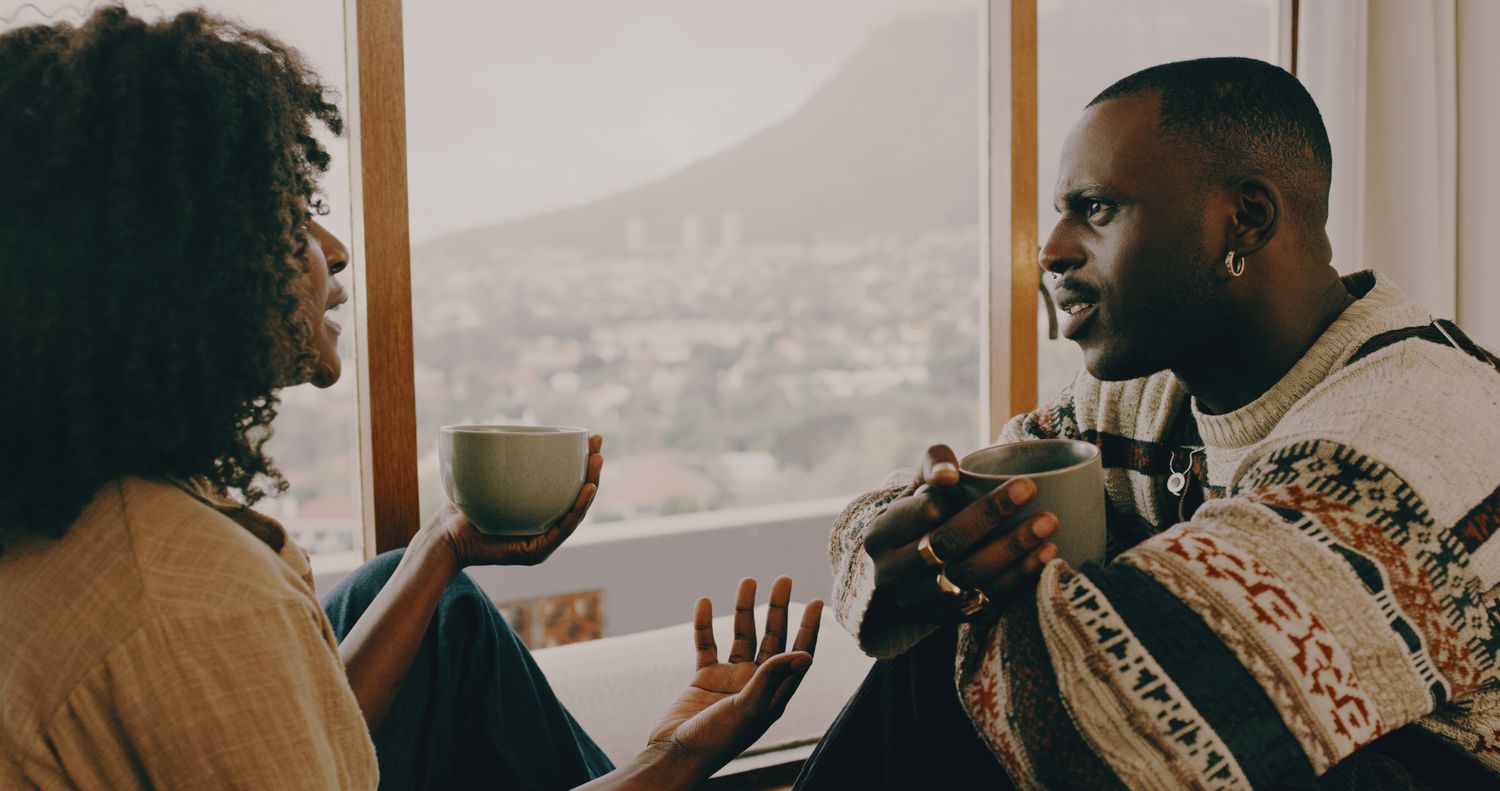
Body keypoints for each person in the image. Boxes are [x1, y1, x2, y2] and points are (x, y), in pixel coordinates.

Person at [0, 8, 822, 790]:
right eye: (290, 213)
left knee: (415, 591)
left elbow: (295, 738)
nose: (336, 249)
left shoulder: (82, 514)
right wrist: (671, 759)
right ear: (184, 263)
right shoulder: (195, 602)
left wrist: (443, 545)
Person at [796, 57, 1500, 789]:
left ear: (1245, 219)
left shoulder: (1424, 424)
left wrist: (957, 598)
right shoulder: (1137, 400)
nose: (1052, 249)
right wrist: (909, 554)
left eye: (1096, 208)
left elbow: (1132, 721)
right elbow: (901, 509)